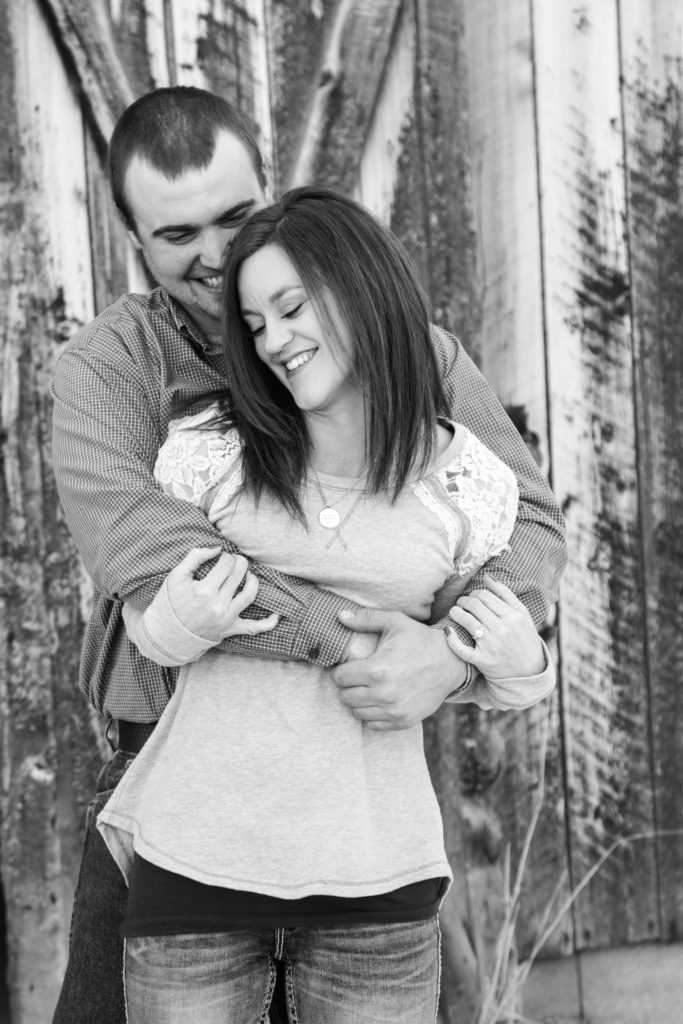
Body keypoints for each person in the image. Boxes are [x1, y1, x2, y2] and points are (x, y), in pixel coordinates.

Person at [50, 87, 566, 1024]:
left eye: (235, 216)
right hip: (173, 779)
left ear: (270, 192)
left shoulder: (413, 351)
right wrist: (368, 641)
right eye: (177, 236)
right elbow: (161, 557)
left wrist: (446, 654)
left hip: (365, 780)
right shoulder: (109, 369)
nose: (212, 255)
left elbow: (526, 525)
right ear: (135, 241)